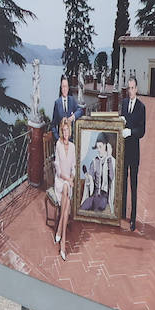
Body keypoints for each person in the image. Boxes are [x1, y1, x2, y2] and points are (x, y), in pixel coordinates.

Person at [120, 75, 146, 231]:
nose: (130, 91)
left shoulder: (141, 107)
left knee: (133, 185)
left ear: (136, 89)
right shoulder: (123, 103)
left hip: (134, 152)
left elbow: (142, 131)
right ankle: (122, 212)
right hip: (123, 150)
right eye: (128, 88)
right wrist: (121, 122)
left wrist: (130, 131)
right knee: (122, 182)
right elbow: (121, 121)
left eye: (132, 88)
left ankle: (133, 219)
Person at [53, 115, 75, 261]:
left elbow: (74, 168)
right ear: (61, 131)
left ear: (69, 131)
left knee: (67, 191)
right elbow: (58, 170)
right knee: (66, 188)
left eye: (67, 130)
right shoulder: (58, 145)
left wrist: (72, 178)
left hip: (68, 183)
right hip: (60, 181)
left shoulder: (72, 146)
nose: (66, 133)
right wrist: (68, 180)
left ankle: (60, 230)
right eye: (64, 130)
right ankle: (63, 243)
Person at [78, 133, 115, 213]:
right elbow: (90, 177)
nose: (98, 150)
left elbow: (112, 177)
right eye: (97, 147)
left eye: (100, 147)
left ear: (106, 146)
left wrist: (109, 157)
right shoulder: (94, 161)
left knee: (97, 208)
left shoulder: (111, 161)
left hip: (104, 197)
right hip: (94, 195)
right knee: (82, 209)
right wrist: (88, 177)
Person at [50, 74, 84, 142]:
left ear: (68, 88)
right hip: (61, 140)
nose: (65, 89)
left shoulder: (72, 100)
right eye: (63, 87)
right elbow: (53, 125)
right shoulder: (57, 103)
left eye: (66, 87)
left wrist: (73, 117)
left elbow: (80, 110)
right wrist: (58, 139)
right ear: (61, 88)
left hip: (71, 140)